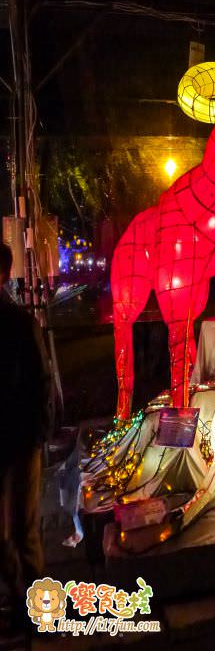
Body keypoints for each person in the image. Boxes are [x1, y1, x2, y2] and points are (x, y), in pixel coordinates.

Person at [0, 242, 53, 631]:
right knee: (8, 534)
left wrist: (37, 436)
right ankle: (21, 599)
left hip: (20, 441)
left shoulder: (20, 323)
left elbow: (41, 382)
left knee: (24, 528)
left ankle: (37, 608)